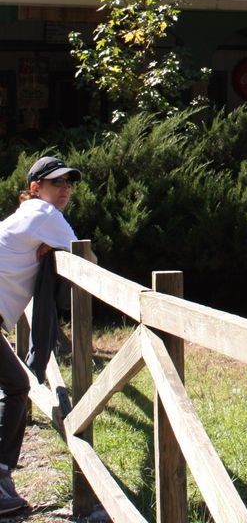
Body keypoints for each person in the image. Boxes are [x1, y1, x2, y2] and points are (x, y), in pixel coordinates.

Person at [0, 156, 81, 514]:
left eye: (68, 183)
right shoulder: (45, 216)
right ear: (35, 189)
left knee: (13, 386)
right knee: (18, 386)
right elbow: (86, 260)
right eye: (55, 183)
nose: (64, 190)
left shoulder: (23, 216)